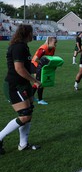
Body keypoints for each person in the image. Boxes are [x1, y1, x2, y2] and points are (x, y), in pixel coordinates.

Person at [0, 24, 42, 155]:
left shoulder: (23, 46)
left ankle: (23, 144)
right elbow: (19, 69)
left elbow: (27, 66)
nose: (33, 34)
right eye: (32, 32)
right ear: (27, 33)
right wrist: (34, 80)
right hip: (15, 85)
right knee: (25, 116)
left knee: (28, 113)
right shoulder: (18, 47)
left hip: (23, 84)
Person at [31, 36, 58, 105]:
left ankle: (31, 97)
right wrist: (44, 65)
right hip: (35, 64)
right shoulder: (43, 49)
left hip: (41, 65)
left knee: (38, 82)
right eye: (54, 43)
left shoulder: (53, 49)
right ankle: (40, 100)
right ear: (49, 42)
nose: (55, 44)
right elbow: (36, 59)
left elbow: (50, 58)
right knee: (40, 82)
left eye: (56, 43)